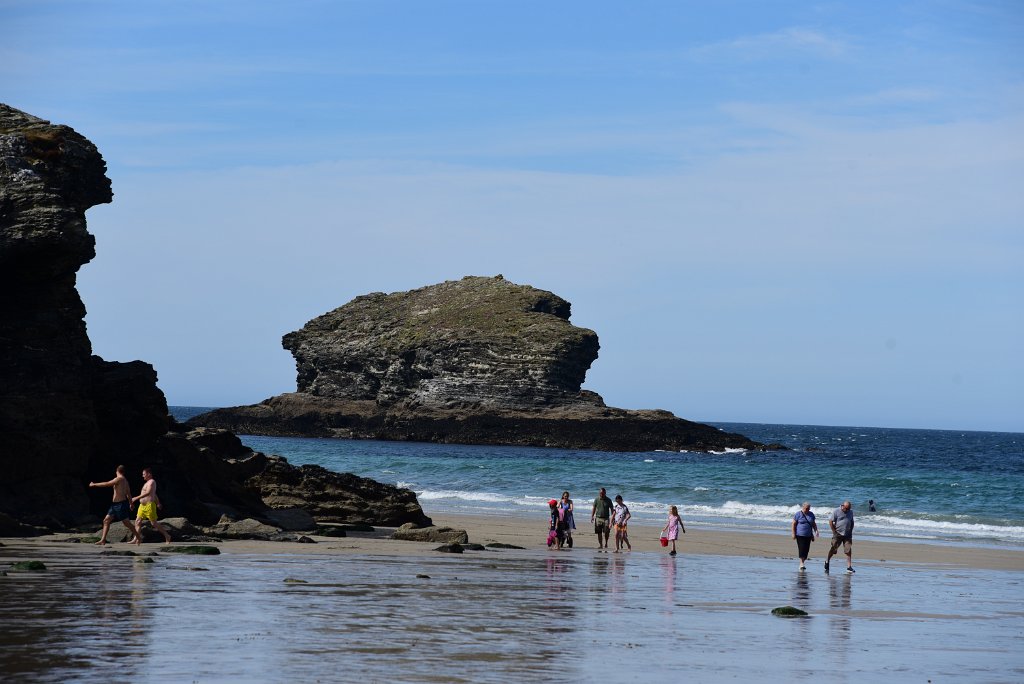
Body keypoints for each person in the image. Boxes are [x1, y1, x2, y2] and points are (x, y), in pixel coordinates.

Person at [88, 465, 138, 545]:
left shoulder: (119, 479)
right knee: (106, 520)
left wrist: (94, 484)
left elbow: (107, 484)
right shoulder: (125, 481)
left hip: (120, 504)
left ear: (117, 471)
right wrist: (131, 504)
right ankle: (103, 540)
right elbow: (128, 494)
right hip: (115, 505)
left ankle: (138, 536)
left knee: (126, 523)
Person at [130, 467, 171, 544]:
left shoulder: (152, 482)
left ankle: (167, 535)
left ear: (149, 474)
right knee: (137, 521)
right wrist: (158, 503)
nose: (143, 476)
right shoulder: (146, 483)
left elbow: (148, 492)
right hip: (142, 506)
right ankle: (136, 538)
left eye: (144, 474)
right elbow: (154, 494)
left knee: (153, 523)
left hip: (149, 505)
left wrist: (136, 498)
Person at [825, 500, 854, 573]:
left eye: (849, 509)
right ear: (843, 506)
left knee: (848, 549)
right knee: (833, 549)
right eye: (846, 509)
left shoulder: (850, 512)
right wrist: (834, 531)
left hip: (847, 534)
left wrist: (851, 530)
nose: (847, 510)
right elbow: (830, 521)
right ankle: (827, 560)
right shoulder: (836, 511)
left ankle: (849, 567)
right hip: (838, 533)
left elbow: (852, 521)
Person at [791, 502, 818, 570]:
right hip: (800, 534)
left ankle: (802, 562)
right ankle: (801, 563)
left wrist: (816, 531)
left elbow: (813, 524)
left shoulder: (811, 514)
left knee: (806, 549)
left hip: (808, 535)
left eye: (809, 508)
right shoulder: (798, 514)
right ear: (803, 507)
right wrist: (793, 533)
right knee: (801, 548)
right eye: (806, 508)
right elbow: (793, 524)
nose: (808, 510)